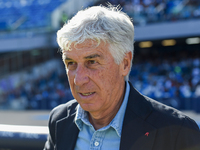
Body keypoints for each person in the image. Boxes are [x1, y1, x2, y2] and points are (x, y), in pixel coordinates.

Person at [44, 5, 200, 150]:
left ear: (125, 64)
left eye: (92, 62)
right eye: (71, 63)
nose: (78, 79)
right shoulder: (59, 121)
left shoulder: (178, 132)